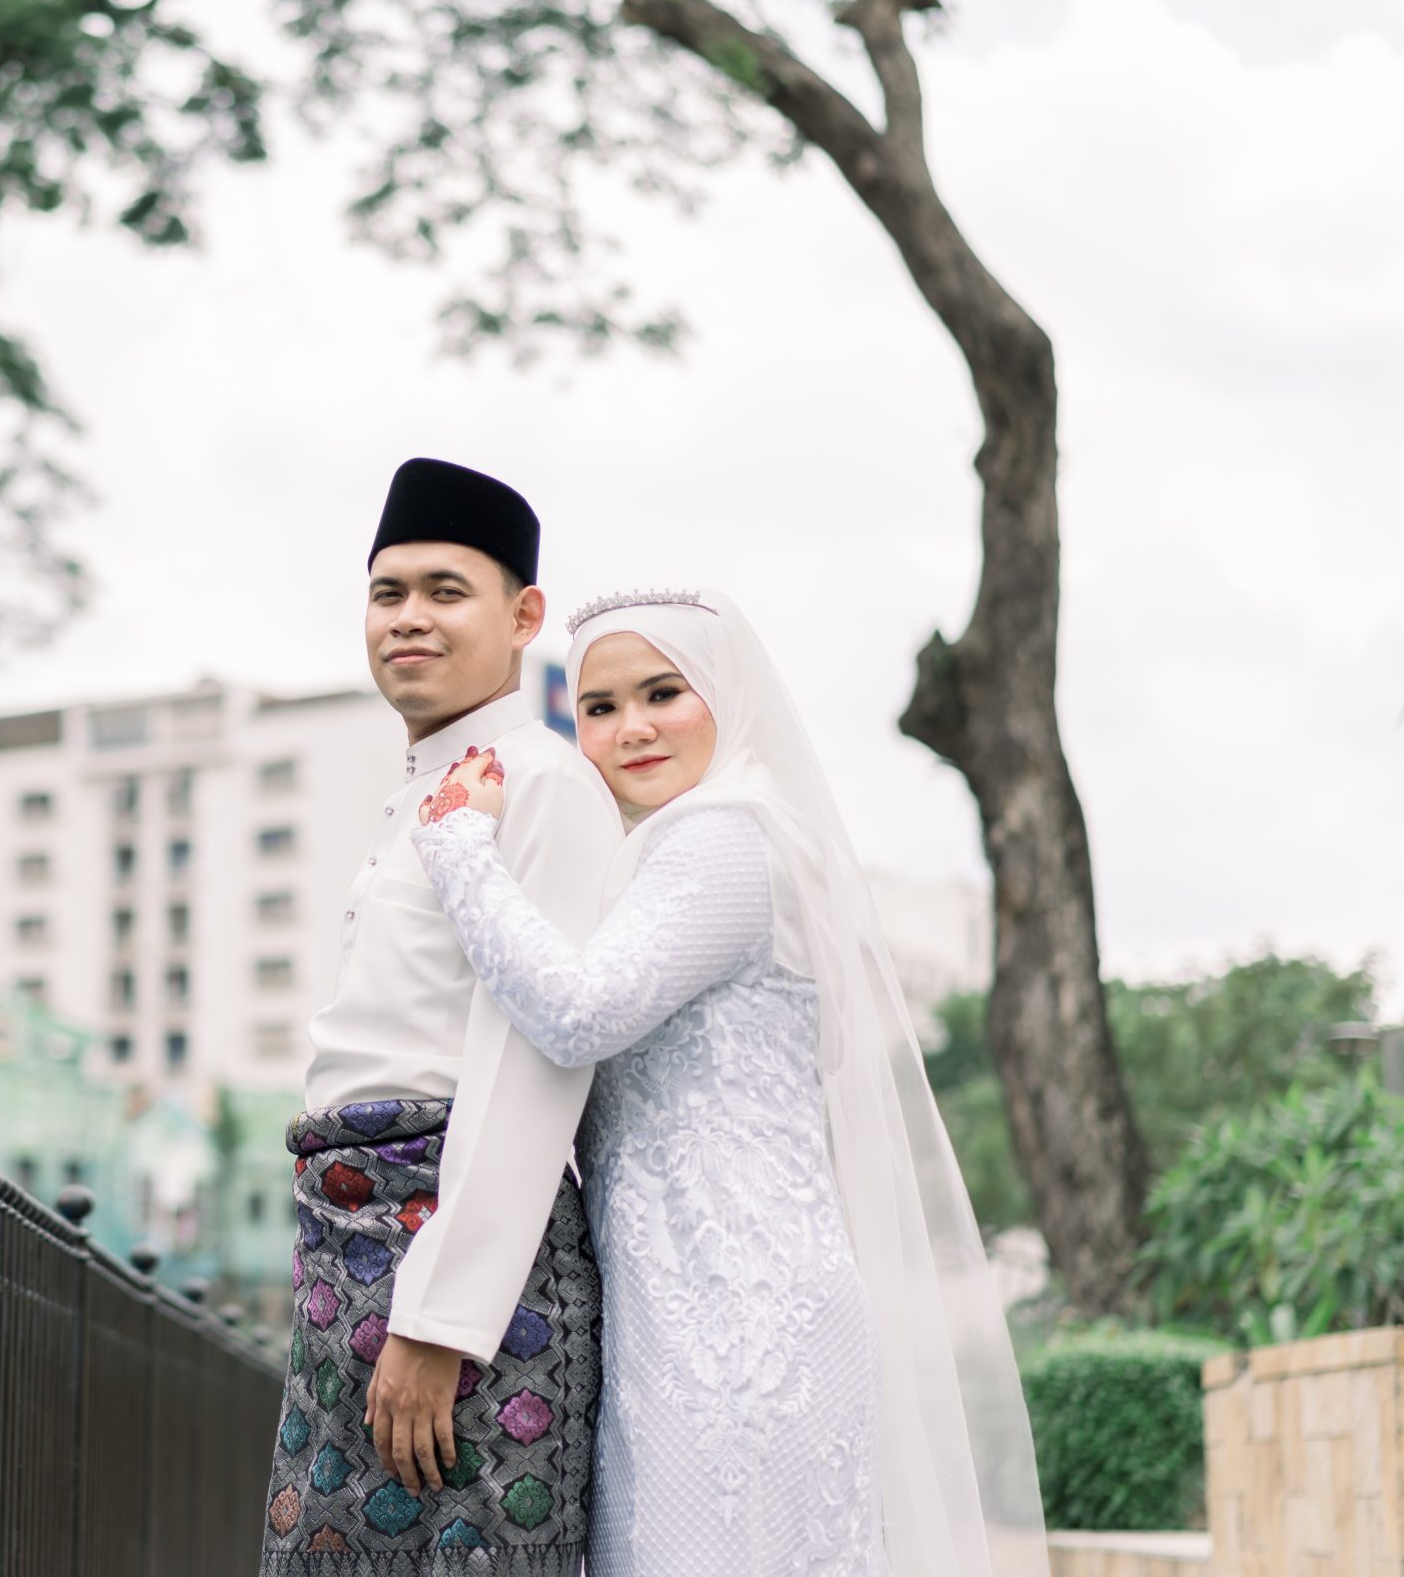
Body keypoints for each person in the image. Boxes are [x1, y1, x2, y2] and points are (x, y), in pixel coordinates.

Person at [409, 588, 1050, 1577]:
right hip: (684, 1309)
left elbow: (576, 1014)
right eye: (599, 707)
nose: (632, 728)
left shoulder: (723, 838)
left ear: (727, 693)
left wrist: (460, 847)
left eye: (663, 692)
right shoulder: (667, 853)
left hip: (743, 1321)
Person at [260, 458, 621, 1574]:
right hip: (345, 1250)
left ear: (523, 617)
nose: (408, 617)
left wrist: (439, 1322)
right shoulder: (427, 781)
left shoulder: (540, 779)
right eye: (388, 593)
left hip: (461, 1285)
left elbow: (534, 1068)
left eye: (444, 591)